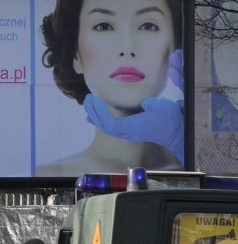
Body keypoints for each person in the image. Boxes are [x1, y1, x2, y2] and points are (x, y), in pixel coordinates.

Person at [36, 0, 184, 176]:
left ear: (175, 46)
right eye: (103, 26)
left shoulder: (201, 171)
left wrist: (183, 138)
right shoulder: (47, 175)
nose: (127, 49)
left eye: (148, 26)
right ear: (75, 55)